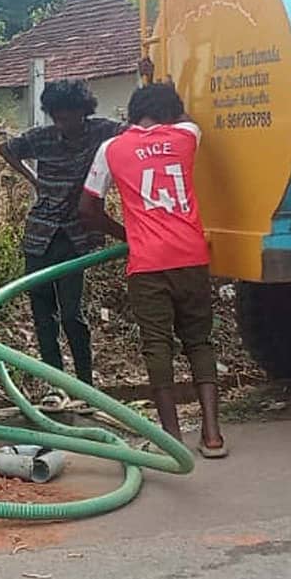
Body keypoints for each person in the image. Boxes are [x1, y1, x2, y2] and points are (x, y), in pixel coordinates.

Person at [79, 82, 227, 458]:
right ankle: (212, 435)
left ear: (132, 113)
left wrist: (124, 232)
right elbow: (187, 119)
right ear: (171, 112)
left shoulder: (111, 148)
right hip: (191, 256)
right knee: (200, 341)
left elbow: (88, 209)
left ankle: (171, 438)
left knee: (157, 345)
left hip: (147, 262)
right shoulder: (185, 135)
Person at [0, 79, 123, 394]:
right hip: (40, 236)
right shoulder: (42, 138)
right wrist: (33, 179)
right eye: (58, 117)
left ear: (84, 111)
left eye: (70, 116)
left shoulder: (101, 132)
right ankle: (56, 386)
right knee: (43, 316)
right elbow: (7, 149)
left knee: (71, 314)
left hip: (76, 236)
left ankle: (86, 386)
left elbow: (137, 131)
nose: (64, 123)